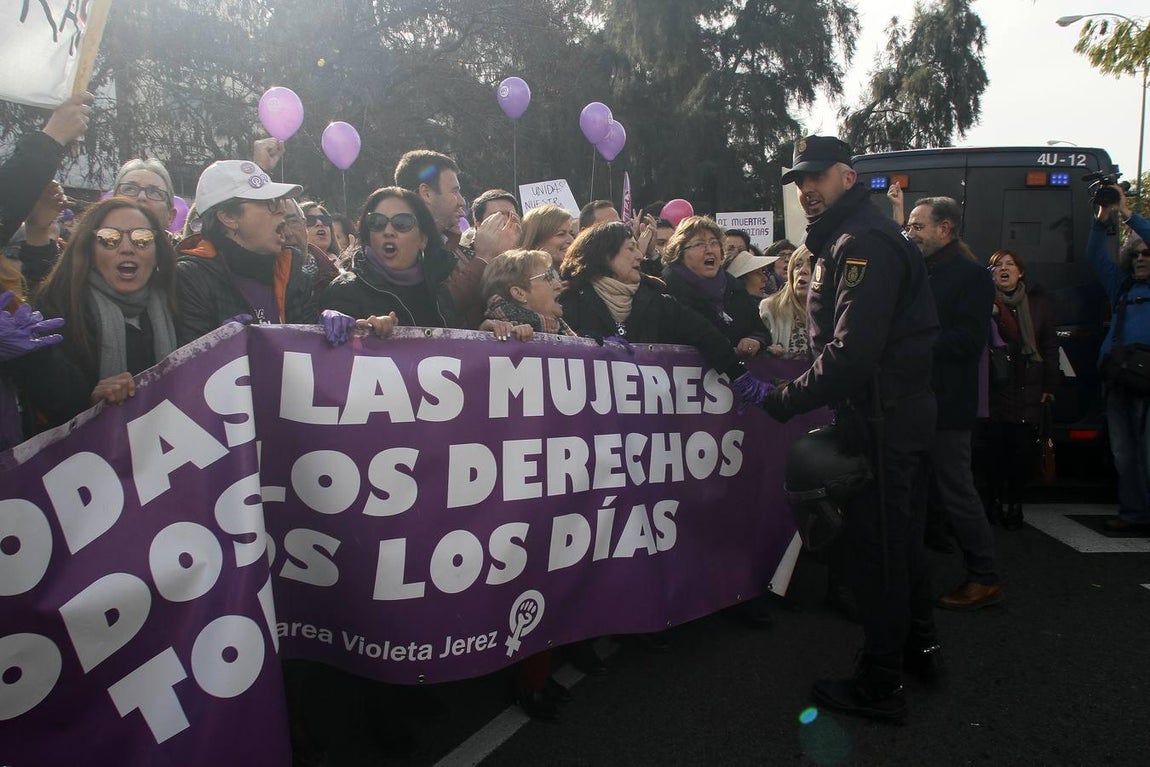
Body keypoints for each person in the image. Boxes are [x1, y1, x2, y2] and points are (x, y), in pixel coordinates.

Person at [762, 135, 939, 722]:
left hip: (884, 419)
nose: (807, 191)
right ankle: (918, 649)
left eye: (817, 178)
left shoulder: (860, 240)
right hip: (892, 413)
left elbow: (852, 352)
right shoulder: (849, 234)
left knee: (881, 550)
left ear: (846, 175)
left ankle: (880, 682)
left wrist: (786, 399)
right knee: (901, 541)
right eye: (799, 182)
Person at [907, 197, 1002, 610]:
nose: (910, 233)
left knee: (956, 491)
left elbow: (967, 340)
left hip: (947, 405)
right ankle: (911, 572)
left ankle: (984, 576)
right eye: (909, 226)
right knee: (912, 490)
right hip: (911, 400)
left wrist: (910, 345)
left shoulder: (972, 276)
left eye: (917, 226)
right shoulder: (918, 270)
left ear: (944, 229)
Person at [32, 198, 180, 423]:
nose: (127, 248)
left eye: (142, 238)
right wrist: (90, 402)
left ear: (157, 251)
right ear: (89, 250)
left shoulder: (177, 302)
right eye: (109, 238)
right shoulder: (58, 308)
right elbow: (45, 406)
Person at [983, 248, 1059, 530]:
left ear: (1020, 271)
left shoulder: (1037, 303)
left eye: (1009, 264)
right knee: (992, 452)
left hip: (1028, 388)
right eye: (996, 265)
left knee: (1021, 453)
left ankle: (1014, 504)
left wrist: (1050, 385)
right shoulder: (983, 301)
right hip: (994, 389)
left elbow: (1049, 346)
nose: (1003, 269)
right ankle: (990, 503)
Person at [1089, 185, 1150, 531]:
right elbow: (1096, 255)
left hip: (1148, 381)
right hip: (1119, 379)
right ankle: (1134, 514)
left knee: (1148, 452)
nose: (1141, 258)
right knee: (1124, 453)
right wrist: (1102, 218)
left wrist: (1129, 214)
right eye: (1136, 254)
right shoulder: (1123, 287)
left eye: (1147, 253)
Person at [320, 186, 456, 328]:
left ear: (423, 239)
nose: (388, 231)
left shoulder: (439, 292)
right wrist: (360, 333)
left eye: (402, 223)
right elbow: (334, 347)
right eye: (377, 222)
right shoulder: (344, 291)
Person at [661, 215, 770, 358]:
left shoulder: (734, 287)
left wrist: (756, 340)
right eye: (699, 244)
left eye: (714, 243)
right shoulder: (667, 290)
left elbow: (761, 331)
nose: (709, 250)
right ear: (680, 252)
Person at [481, 249, 575, 340]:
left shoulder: (562, 330)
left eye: (554, 276)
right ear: (519, 293)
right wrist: (513, 339)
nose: (558, 285)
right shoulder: (496, 333)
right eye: (547, 278)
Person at [759, 244, 812, 359]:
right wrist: (768, 350)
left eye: (811, 264)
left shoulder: (833, 312)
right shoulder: (770, 308)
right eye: (798, 265)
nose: (803, 270)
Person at [519, 204, 578, 270]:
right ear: (536, 241)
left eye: (571, 233)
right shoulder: (518, 278)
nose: (572, 240)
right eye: (561, 234)